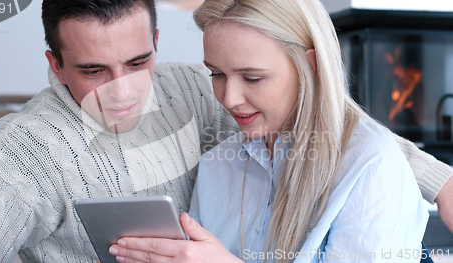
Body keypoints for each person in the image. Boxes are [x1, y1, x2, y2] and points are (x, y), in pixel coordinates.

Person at [0, 0, 451, 262]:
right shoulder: (12, 159)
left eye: (137, 61)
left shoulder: (193, 90)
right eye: (93, 71)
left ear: (156, 40)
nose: (123, 92)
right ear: (56, 66)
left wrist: (440, 180)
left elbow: (326, 120)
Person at [107, 0, 446, 262]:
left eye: (252, 77)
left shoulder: (371, 166)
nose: (229, 98)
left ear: (310, 66)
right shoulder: (216, 167)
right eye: (217, 74)